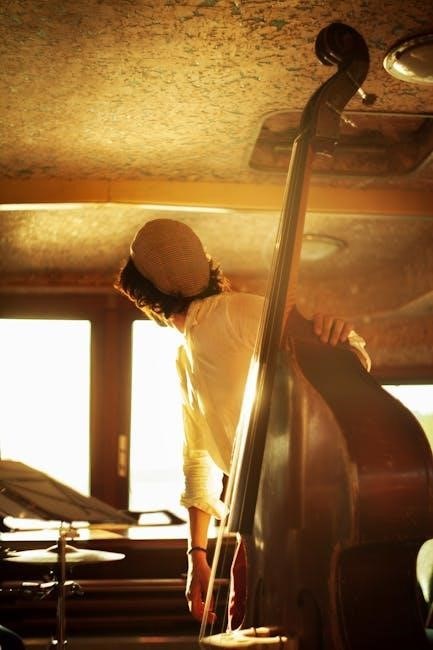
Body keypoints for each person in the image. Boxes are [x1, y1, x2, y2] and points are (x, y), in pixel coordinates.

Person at [115, 218, 371, 627]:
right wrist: (197, 553)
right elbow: (198, 461)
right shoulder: (185, 357)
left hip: (300, 516)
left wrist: (340, 341)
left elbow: (354, 362)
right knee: (246, 627)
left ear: (144, 299)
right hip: (258, 526)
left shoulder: (241, 312)